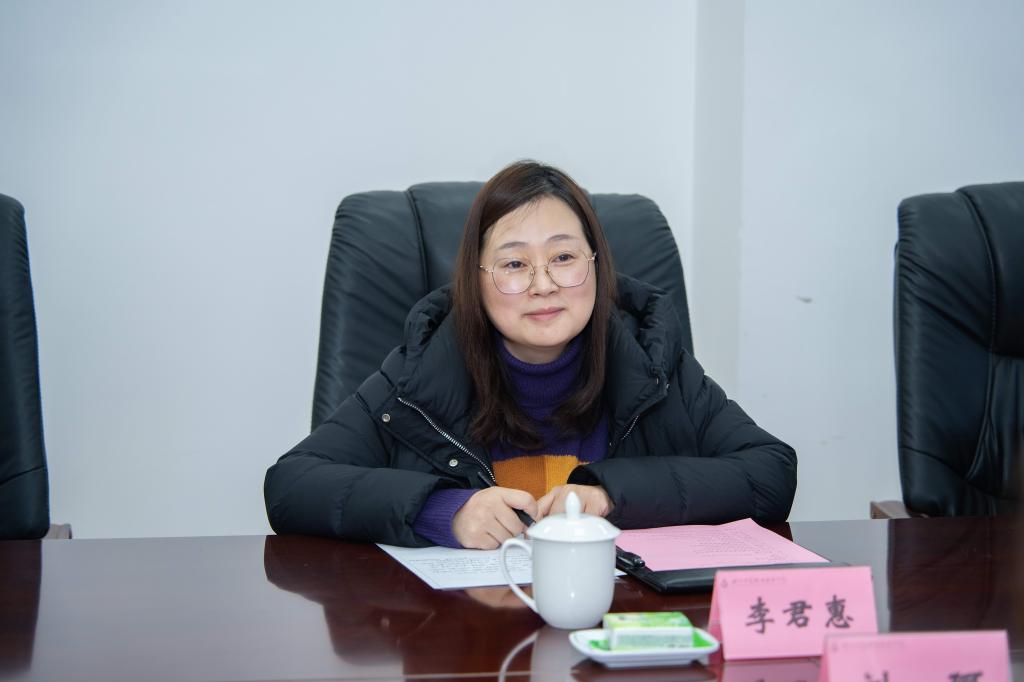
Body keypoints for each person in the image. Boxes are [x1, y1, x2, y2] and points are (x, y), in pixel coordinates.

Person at [264, 161, 796, 549]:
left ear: (596, 265)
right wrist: (442, 510)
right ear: (475, 281)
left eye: (563, 257)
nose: (544, 285)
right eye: (515, 265)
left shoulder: (650, 361)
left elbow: (770, 471)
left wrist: (611, 495)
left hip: (616, 625)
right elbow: (292, 485)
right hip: (463, 635)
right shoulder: (420, 370)